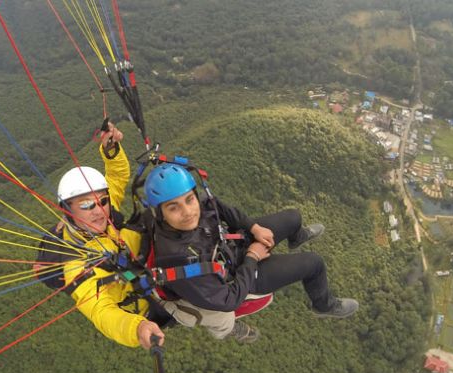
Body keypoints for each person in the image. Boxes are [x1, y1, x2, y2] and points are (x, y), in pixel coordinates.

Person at [142, 163, 359, 343]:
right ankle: (323, 305)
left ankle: (296, 237)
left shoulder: (196, 208)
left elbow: (218, 206)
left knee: (293, 217)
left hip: (232, 247)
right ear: (160, 214)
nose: (188, 212)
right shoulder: (178, 262)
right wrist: (252, 257)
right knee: (314, 264)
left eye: (189, 200)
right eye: (174, 207)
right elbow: (228, 301)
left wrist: (253, 228)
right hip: (239, 277)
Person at [58, 123, 164, 349]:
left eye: (102, 201)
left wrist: (110, 151)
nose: (98, 210)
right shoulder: (76, 265)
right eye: (86, 205)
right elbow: (101, 311)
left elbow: (116, 178)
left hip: (150, 265)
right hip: (144, 303)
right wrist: (137, 328)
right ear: (67, 210)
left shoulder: (104, 214)